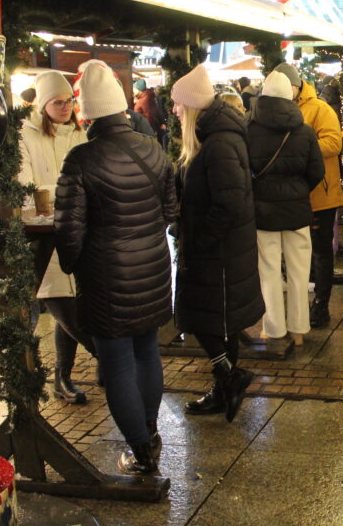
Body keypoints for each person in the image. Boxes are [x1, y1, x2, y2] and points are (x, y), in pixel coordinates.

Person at [55, 60, 176, 475]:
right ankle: (150, 433)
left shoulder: (81, 159)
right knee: (147, 352)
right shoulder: (154, 149)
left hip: (106, 277)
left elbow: (69, 231)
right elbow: (170, 210)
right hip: (153, 268)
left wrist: (72, 266)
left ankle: (140, 451)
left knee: (118, 362)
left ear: (87, 111)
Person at [172, 65, 264, 422]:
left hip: (218, 252)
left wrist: (200, 241)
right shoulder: (214, 138)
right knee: (219, 322)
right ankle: (225, 386)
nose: (175, 110)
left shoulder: (219, 142)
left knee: (203, 318)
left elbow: (229, 203)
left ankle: (229, 377)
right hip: (221, 249)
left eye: (179, 104)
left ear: (193, 106)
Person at [19, 71, 98, 404]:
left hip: (78, 235)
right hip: (43, 239)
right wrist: (68, 193)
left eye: (69, 101)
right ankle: (110, 360)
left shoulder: (80, 134)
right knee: (65, 307)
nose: (66, 107)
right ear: (42, 104)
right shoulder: (24, 135)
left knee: (74, 303)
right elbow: (26, 189)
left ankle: (62, 378)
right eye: (58, 102)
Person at [248, 71, 325, 346]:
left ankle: (273, 329)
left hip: (262, 212)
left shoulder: (248, 129)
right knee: (299, 272)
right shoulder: (304, 130)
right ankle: (299, 329)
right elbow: (317, 171)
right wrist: (299, 190)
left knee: (268, 272)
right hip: (297, 211)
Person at [273, 64, 343, 330]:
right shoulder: (278, 109)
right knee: (297, 251)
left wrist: (301, 150)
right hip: (291, 193)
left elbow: (334, 143)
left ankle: (321, 305)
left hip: (320, 192)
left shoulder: (319, 108)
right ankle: (300, 304)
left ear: (296, 86)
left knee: (322, 250)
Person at [134, 78, 165, 144]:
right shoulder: (146, 98)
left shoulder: (144, 100)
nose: (133, 91)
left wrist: (149, 132)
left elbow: (149, 116)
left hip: (146, 132)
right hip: (147, 130)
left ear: (139, 90)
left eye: (135, 89)